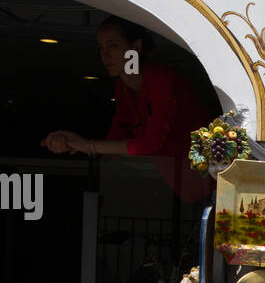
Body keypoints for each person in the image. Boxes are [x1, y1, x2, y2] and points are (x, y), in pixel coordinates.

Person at [42, 16, 214, 203]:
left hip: (205, 185)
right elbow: (114, 143)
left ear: (136, 48)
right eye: (101, 47)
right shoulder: (123, 88)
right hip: (171, 189)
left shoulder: (162, 80)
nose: (105, 55)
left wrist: (87, 145)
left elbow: (151, 143)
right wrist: (70, 141)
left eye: (113, 46)